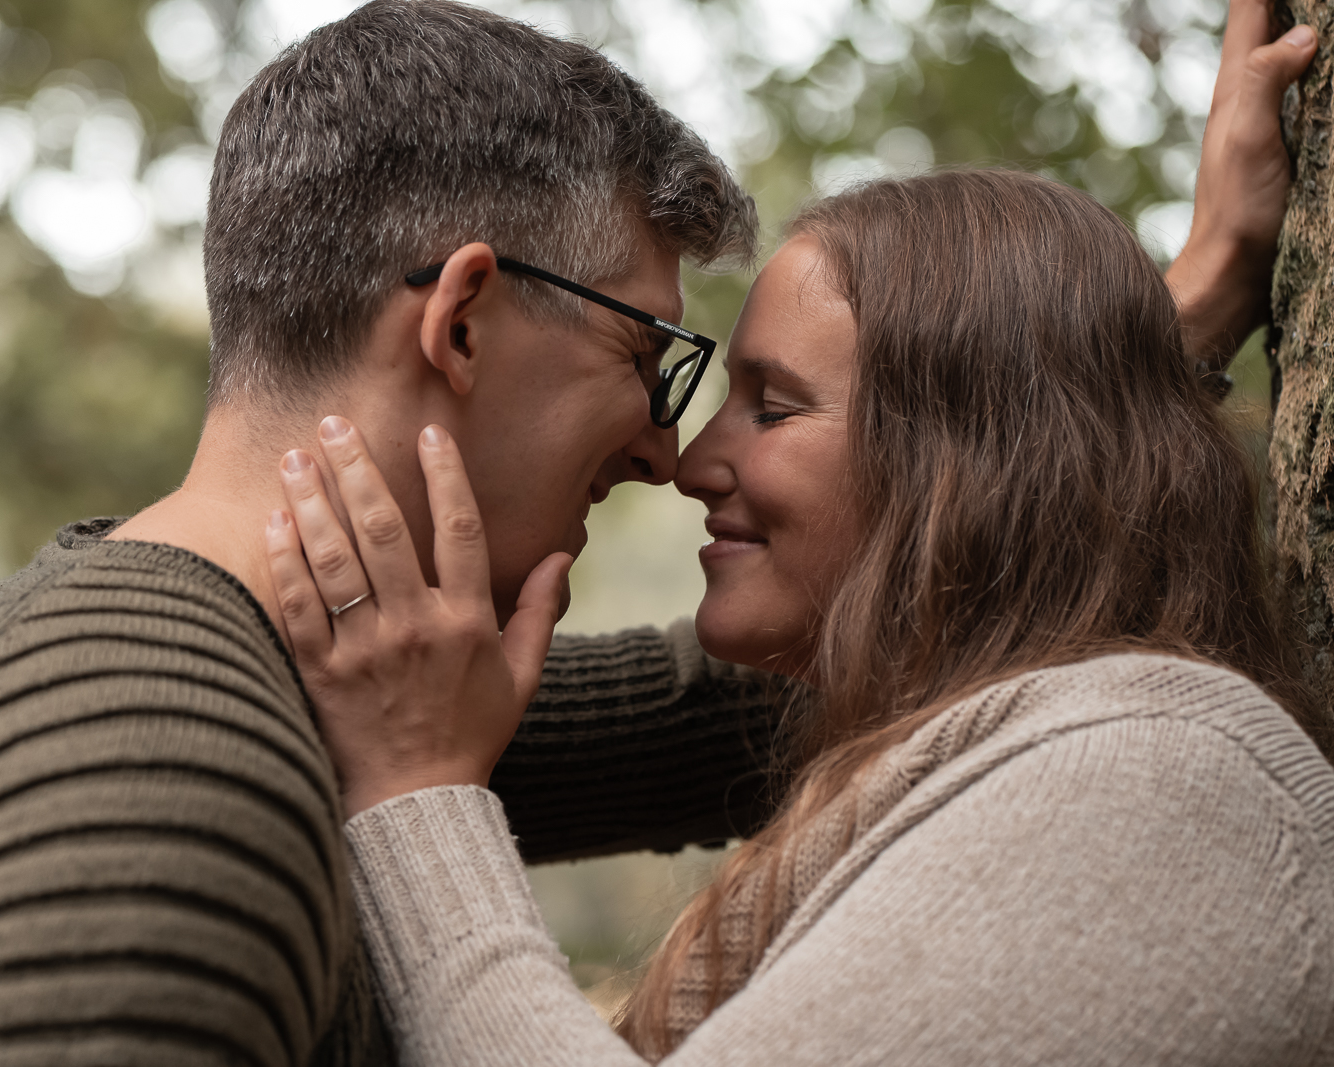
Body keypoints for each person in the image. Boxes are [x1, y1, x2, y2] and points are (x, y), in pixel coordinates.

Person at [0, 0, 1312, 1062]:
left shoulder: (309, 676)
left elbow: (875, 644)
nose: (661, 447)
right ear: (471, 320)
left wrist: (1111, 364)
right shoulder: (150, 756)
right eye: (653, 356)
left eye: (747, 400)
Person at [267, 167, 1334, 1065]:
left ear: (973, 466)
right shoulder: (1046, 744)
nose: (688, 462)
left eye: (771, 407)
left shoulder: (1148, 783)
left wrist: (419, 791)